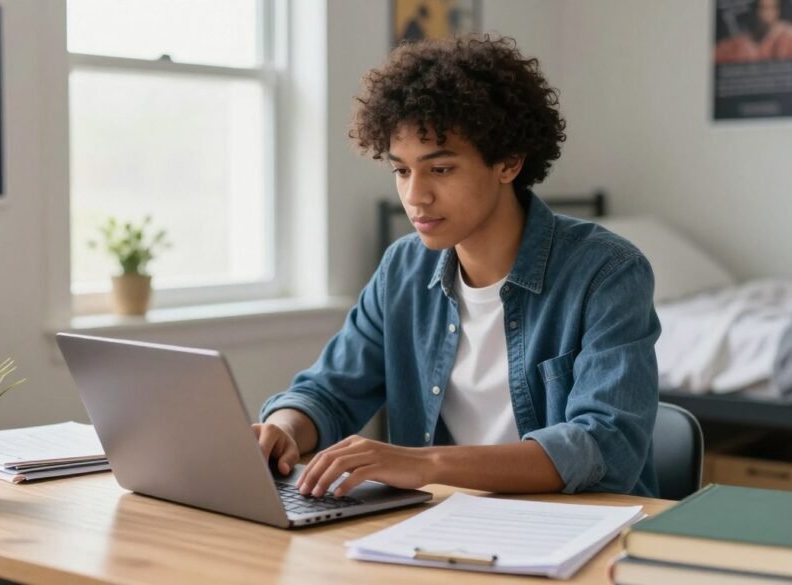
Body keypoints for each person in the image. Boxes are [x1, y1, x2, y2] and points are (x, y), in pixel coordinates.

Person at [254, 35, 661, 499]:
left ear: (508, 162)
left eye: (440, 169)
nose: (415, 196)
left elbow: (604, 445)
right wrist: (283, 428)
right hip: (434, 531)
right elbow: (329, 392)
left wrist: (422, 465)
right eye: (402, 170)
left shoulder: (607, 272)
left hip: (574, 533)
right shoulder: (402, 268)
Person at [714, 0, 792, 64]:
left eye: (769, 8)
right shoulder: (738, 43)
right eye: (761, 9)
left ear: (777, 10)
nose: (764, 15)